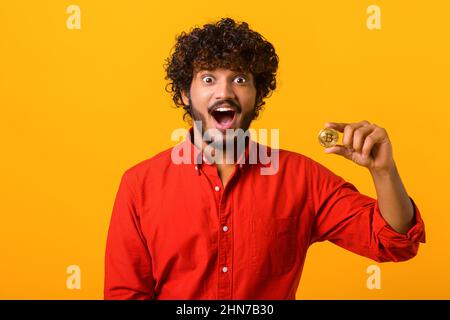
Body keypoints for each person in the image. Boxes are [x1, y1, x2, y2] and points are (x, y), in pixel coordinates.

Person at [104, 17, 425, 300]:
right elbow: (125, 294)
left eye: (240, 79)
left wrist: (384, 171)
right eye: (208, 78)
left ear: (258, 94)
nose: (224, 92)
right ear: (186, 94)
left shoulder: (302, 178)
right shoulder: (139, 185)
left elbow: (394, 243)